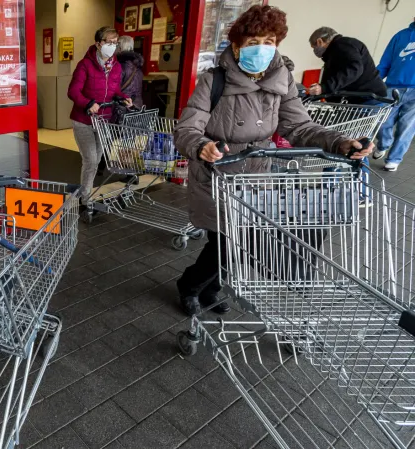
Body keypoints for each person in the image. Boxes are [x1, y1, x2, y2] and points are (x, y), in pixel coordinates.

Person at [173, 6, 373, 317]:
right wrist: (201, 146)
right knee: (226, 243)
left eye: (270, 40)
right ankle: (192, 285)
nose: (263, 48)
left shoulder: (282, 80)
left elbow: (299, 127)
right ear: (237, 45)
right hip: (218, 175)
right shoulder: (214, 81)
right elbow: (187, 128)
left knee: (237, 242)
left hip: (255, 177)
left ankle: (206, 286)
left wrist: (339, 142)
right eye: (254, 41)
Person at [68, 26, 132, 208]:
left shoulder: (116, 67)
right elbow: (73, 91)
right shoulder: (85, 65)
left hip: (104, 120)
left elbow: (114, 90)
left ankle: (85, 193)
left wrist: (122, 97)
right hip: (84, 121)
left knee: (96, 161)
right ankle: (85, 198)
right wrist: (88, 103)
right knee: (90, 160)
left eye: (115, 42)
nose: (112, 46)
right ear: (98, 44)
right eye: (108, 42)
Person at [372, 19, 415, 172]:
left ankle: (394, 159)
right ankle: (383, 144)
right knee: (382, 121)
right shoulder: (401, 36)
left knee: (406, 128)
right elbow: (385, 62)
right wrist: (374, 82)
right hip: (393, 87)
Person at [308, 27, 387, 104]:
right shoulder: (334, 51)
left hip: (367, 99)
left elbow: (355, 69)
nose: (314, 50)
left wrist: (325, 87)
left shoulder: (342, 45)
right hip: (362, 98)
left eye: (314, 47)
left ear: (320, 41)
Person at [116, 35, 144, 110]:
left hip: (123, 106)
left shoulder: (120, 65)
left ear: (120, 47)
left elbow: (115, 88)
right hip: (137, 106)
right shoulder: (137, 65)